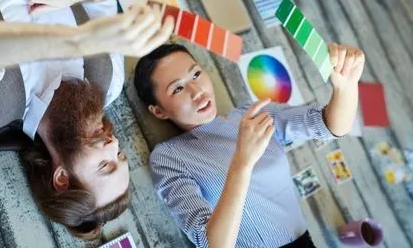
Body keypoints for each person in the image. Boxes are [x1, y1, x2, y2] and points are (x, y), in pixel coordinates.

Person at [0, 0, 174, 239]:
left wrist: (79, 41)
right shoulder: (109, 81)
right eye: (120, 156)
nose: (114, 145)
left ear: (61, 178)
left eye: (104, 165)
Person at [134, 43, 365, 247]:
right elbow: (212, 244)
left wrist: (346, 86)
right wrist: (242, 162)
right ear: (158, 111)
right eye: (178, 88)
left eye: (195, 74)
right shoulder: (168, 157)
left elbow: (330, 126)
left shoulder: (251, 115)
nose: (197, 92)